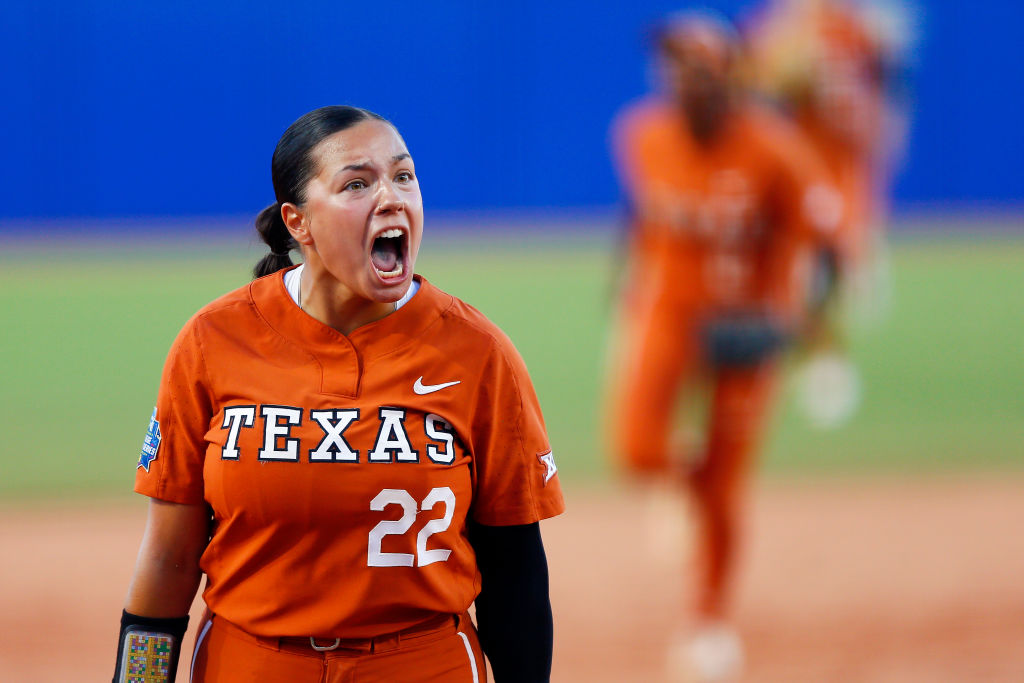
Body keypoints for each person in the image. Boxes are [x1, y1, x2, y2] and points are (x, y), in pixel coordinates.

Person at [112, 105, 565, 683]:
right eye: (357, 183)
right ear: (297, 222)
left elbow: (516, 574)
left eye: (404, 176)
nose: (391, 197)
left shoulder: (477, 352)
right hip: (247, 665)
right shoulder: (214, 341)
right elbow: (168, 560)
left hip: (422, 665)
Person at [605, 13, 840, 681]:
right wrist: (620, 287)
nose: (676, 78)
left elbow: (820, 247)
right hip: (670, 311)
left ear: (726, 74)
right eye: (668, 65)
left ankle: (709, 619)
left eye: (692, 64)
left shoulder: (773, 149)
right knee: (636, 447)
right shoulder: (641, 134)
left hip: (747, 324)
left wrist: (820, 343)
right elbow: (641, 217)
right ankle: (682, 484)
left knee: (725, 481)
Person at [744, 0, 912, 426]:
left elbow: (887, 104)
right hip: (799, 172)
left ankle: (822, 357)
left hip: (845, 175)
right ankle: (817, 359)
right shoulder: (783, 28)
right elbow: (758, 92)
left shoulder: (864, 29)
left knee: (843, 283)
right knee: (792, 282)